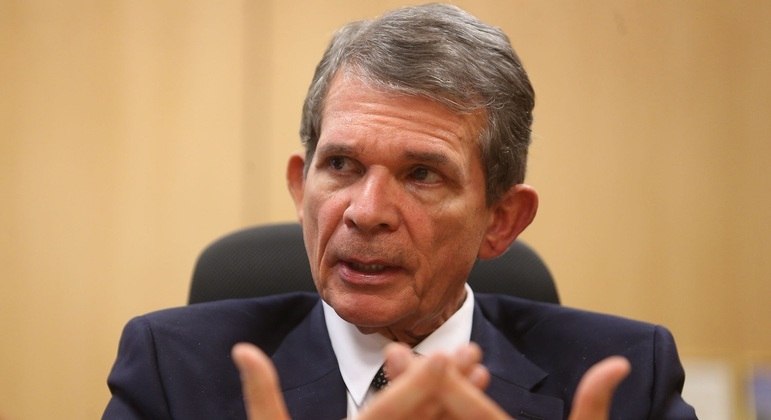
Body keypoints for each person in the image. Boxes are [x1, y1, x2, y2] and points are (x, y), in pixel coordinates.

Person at [103, 4, 696, 419]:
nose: (366, 213)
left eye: (421, 175)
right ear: (300, 189)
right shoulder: (172, 370)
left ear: (501, 220)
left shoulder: (628, 381)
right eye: (341, 164)